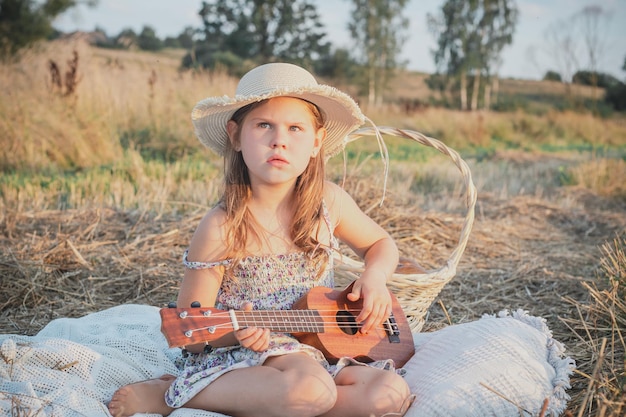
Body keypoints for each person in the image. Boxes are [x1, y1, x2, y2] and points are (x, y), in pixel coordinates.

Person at [108, 63, 414, 417]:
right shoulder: (222, 225)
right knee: (311, 388)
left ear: (316, 141)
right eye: (264, 124)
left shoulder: (329, 203)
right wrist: (237, 333)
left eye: (295, 128)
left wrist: (374, 277)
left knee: (389, 392)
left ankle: (289, 403)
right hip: (249, 356)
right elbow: (192, 334)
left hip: (319, 345)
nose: (279, 139)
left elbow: (381, 245)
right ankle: (171, 394)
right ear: (236, 136)